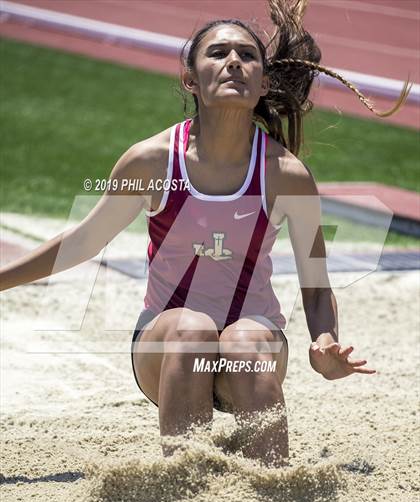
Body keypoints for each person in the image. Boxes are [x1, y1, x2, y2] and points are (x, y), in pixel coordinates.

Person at [1, 0, 410, 468]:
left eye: (247, 56)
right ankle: (185, 478)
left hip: (249, 354)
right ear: (189, 79)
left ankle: (272, 483)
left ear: (264, 83)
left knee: (244, 339)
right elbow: (82, 243)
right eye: (217, 53)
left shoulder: (286, 175)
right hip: (169, 351)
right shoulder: (151, 162)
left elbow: (316, 286)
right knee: (192, 326)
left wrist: (323, 342)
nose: (233, 61)